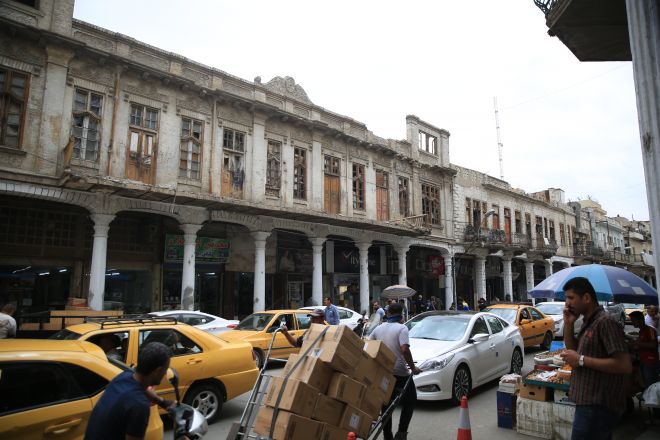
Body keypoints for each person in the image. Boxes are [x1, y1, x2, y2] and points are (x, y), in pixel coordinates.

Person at [560, 277, 632, 440]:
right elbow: (573, 350)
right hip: (587, 403)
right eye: (566, 298)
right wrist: (568, 324)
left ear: (586, 298)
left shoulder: (605, 322)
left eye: (571, 298)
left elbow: (624, 364)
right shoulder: (588, 322)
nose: (567, 303)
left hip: (598, 405)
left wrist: (581, 360)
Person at [85, 342, 174, 440]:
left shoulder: (124, 376)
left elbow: (143, 390)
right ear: (157, 371)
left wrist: (162, 402)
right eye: (165, 370)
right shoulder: (139, 405)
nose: (165, 373)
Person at [369, 303, 421, 440]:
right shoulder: (402, 328)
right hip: (400, 372)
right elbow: (404, 349)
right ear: (401, 314)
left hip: (384, 372)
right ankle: (401, 433)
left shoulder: (378, 328)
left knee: (386, 403)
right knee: (410, 400)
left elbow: (369, 344)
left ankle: (388, 436)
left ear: (388, 314)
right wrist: (413, 368)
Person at [628, 310, 658, 388]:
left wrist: (637, 343)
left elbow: (653, 345)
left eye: (633, 320)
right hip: (643, 360)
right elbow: (642, 345)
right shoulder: (641, 331)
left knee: (651, 385)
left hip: (650, 362)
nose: (632, 323)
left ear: (640, 319)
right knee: (644, 382)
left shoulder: (650, 330)